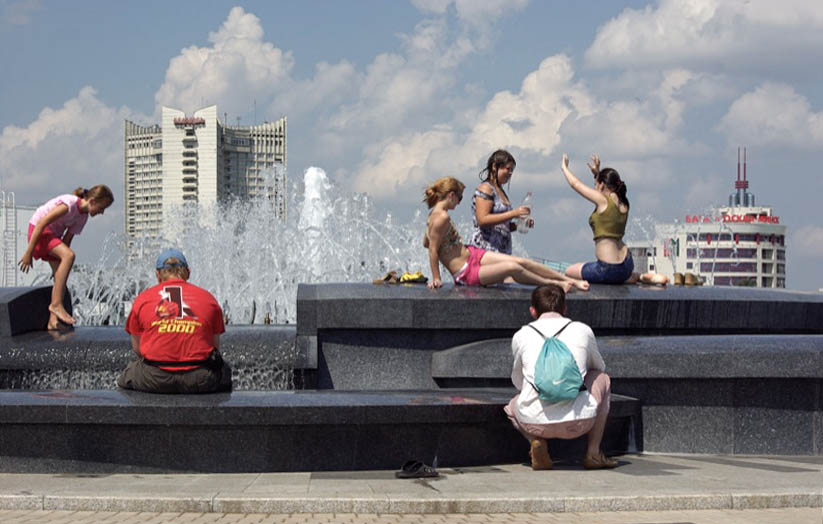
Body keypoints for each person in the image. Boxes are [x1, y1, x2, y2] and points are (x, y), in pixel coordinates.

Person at [504, 284, 617, 470]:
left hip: (533, 422)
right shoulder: (582, 330)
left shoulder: (521, 335)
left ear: (533, 311)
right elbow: (598, 367)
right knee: (602, 377)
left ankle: (536, 441)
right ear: (564, 309)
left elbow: (518, 381)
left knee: (512, 406)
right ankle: (593, 453)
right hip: (580, 422)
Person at [423, 177, 588, 291]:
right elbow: (432, 250)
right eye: (459, 198)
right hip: (466, 272)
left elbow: (426, 242)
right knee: (512, 267)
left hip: (472, 254)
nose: (459, 203)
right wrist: (436, 278)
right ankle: (554, 284)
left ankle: (569, 279)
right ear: (451, 195)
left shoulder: (433, 216)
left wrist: (448, 245)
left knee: (521, 261)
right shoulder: (441, 217)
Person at [118, 248, 232, 394]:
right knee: (224, 370)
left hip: (154, 378)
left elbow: (138, 348)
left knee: (128, 374)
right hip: (200, 379)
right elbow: (214, 346)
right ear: (188, 272)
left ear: (158, 275)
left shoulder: (142, 299)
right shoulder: (208, 299)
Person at [560, 154, 668, 285]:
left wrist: (564, 168)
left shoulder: (602, 201)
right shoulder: (624, 203)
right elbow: (607, 193)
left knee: (569, 271)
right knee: (615, 273)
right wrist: (597, 174)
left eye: (596, 185)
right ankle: (638, 276)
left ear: (602, 185)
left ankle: (635, 277)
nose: (594, 188)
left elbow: (575, 184)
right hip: (627, 265)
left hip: (607, 269)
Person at [18, 185, 114, 329]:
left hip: (52, 237)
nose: (102, 212)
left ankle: (53, 321)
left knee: (61, 281)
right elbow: (41, 223)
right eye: (102, 207)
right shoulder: (69, 204)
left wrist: (60, 266)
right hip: (39, 232)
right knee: (70, 256)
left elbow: (67, 241)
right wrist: (28, 253)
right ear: (92, 201)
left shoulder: (82, 218)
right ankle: (56, 305)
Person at [469, 150, 532, 255]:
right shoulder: (486, 188)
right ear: (494, 166)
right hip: (485, 250)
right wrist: (514, 213)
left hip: (501, 252)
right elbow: (482, 220)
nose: (510, 173)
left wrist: (519, 225)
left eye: (512, 170)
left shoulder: (501, 192)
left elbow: (502, 227)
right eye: (508, 169)